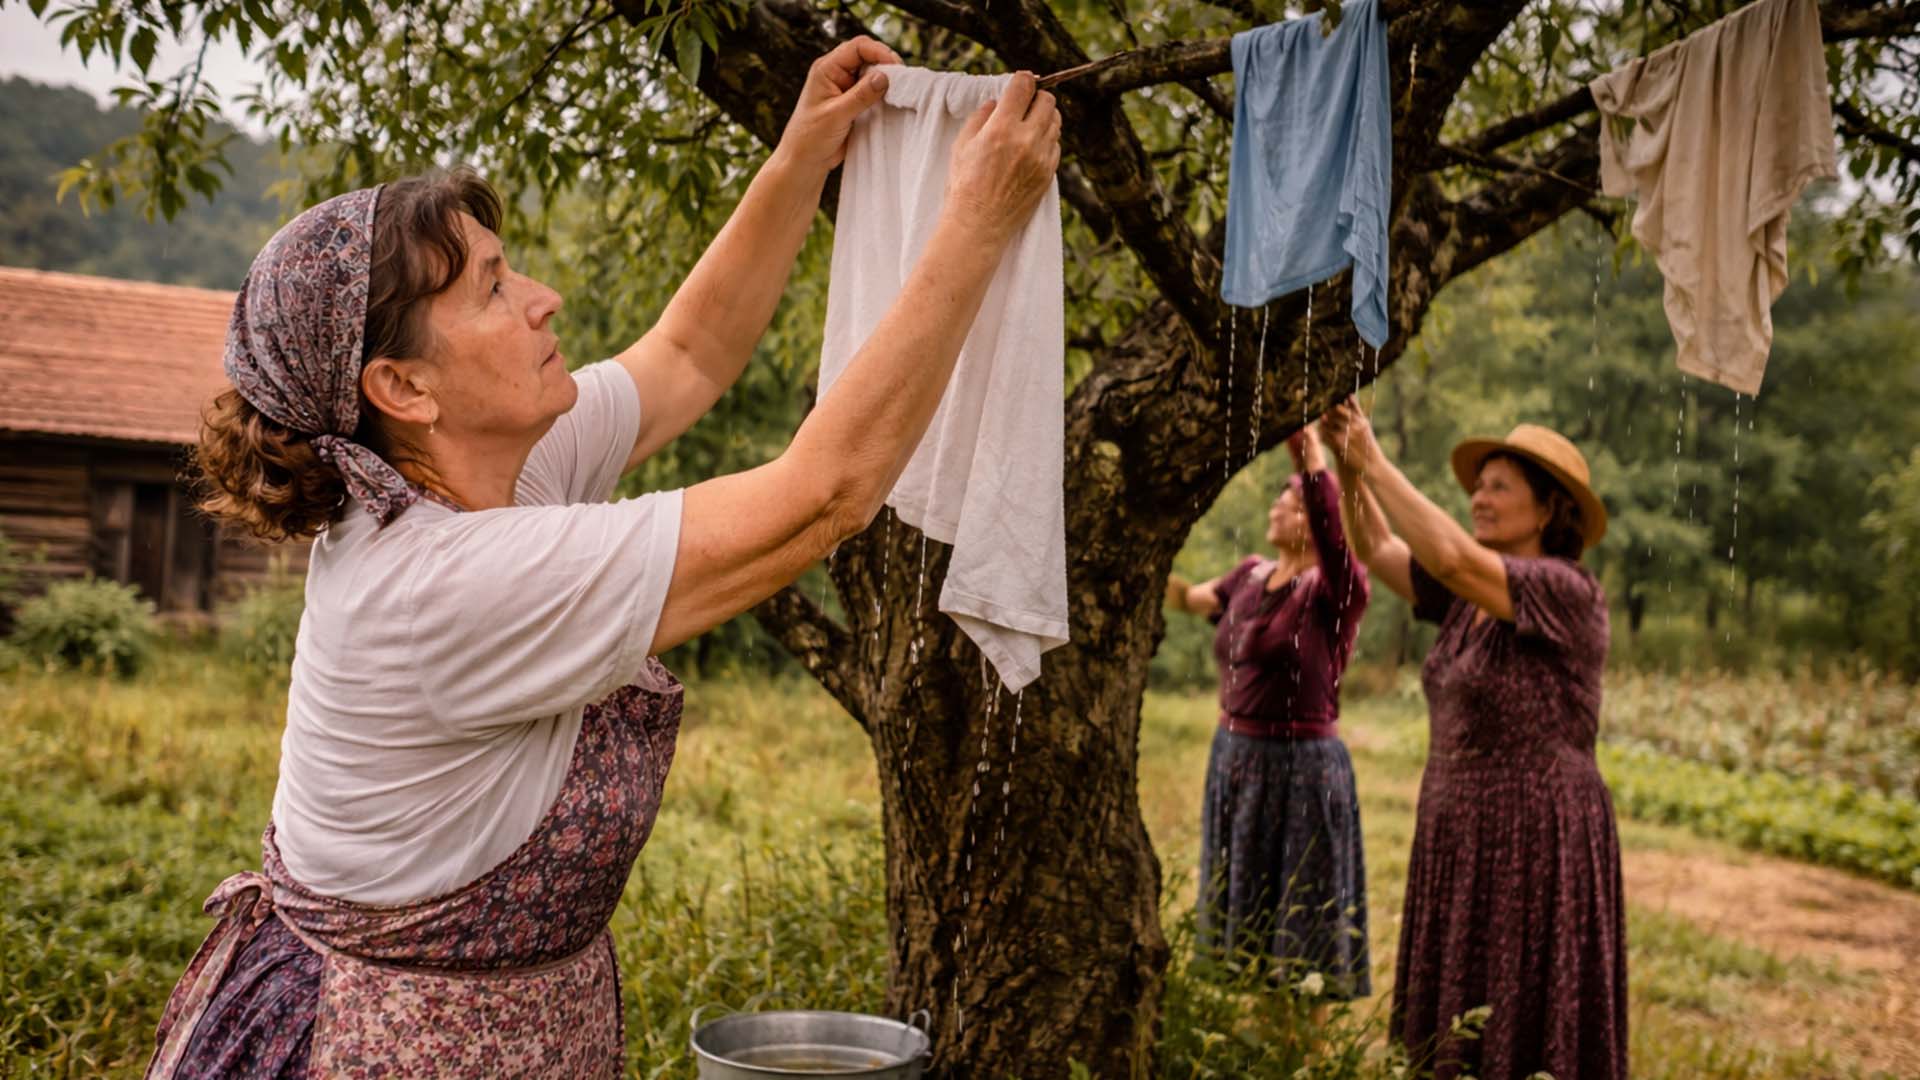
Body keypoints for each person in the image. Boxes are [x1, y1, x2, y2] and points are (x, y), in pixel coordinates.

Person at [145, 39, 1062, 1079]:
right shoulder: (448, 586)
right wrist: (977, 222)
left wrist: (804, 153)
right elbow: (828, 494)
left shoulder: (493, 467)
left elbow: (689, 354)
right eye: (493, 289)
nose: (544, 299)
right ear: (401, 389)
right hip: (393, 1050)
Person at [1319, 398, 1625, 1080]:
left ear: (1547, 511)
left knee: (1526, 1010)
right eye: (1478, 485)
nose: (1479, 499)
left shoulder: (1567, 590)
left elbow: (1454, 557)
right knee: (1462, 1005)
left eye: (1498, 487)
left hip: (1536, 831)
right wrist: (1349, 465)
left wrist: (1377, 458)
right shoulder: (1465, 599)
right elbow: (1375, 547)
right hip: (1461, 824)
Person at [1163, 424, 1371, 1000]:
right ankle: (1254, 1040)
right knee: (1246, 920)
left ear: (1319, 520)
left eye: (1296, 498)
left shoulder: (1337, 592)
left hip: (1302, 770)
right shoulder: (1249, 575)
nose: (1281, 503)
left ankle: (1301, 1049)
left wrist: (1310, 455)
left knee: (1302, 927)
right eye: (1280, 495)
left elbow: (1336, 537)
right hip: (1236, 759)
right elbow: (1188, 598)